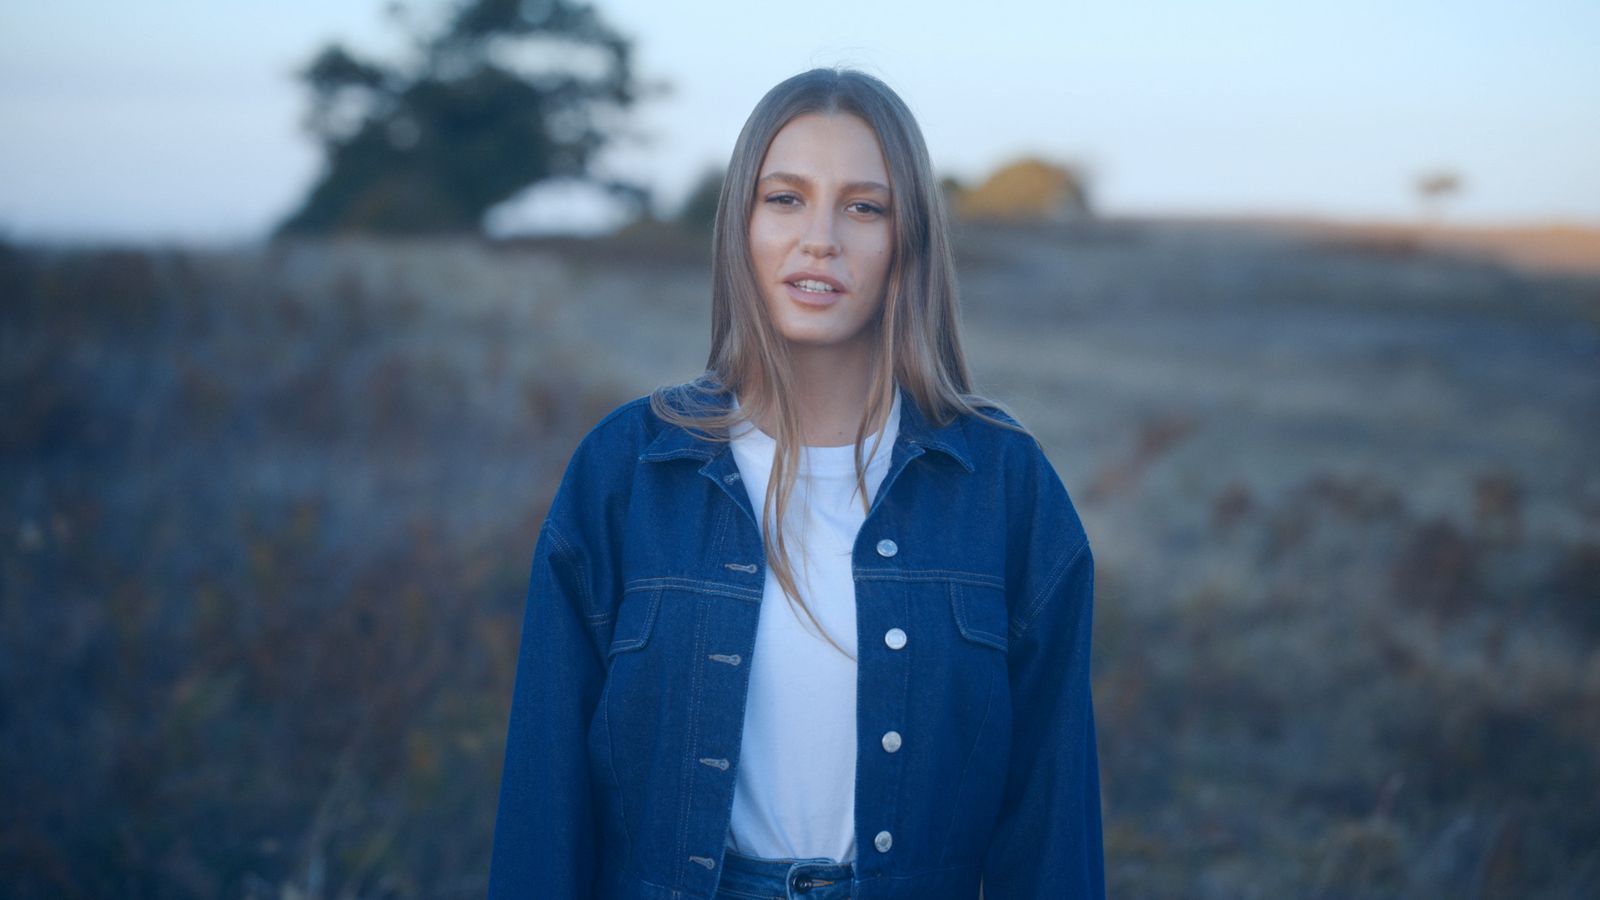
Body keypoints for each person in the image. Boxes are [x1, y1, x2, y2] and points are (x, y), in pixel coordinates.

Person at [489, 67, 1102, 900]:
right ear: (740, 222)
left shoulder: (1003, 484)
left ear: (908, 240)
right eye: (785, 198)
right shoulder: (627, 472)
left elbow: (1053, 822)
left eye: (864, 206)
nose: (822, 238)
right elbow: (544, 804)